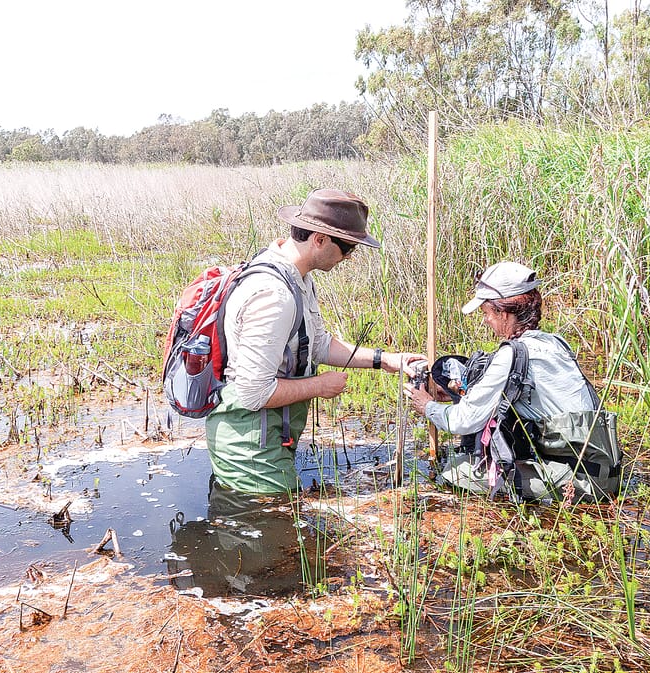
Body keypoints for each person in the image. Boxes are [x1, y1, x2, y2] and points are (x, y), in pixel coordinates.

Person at [206, 188, 421, 494]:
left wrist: (385, 359)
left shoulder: (299, 277)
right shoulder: (274, 295)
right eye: (347, 247)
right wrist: (319, 386)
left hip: (269, 437)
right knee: (271, 533)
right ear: (319, 239)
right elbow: (254, 392)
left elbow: (317, 344)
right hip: (250, 448)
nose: (349, 257)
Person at [404, 261, 620, 502]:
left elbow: (464, 421)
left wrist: (427, 406)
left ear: (502, 313)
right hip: (603, 468)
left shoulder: (512, 354)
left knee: (455, 471)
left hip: (583, 480)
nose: (485, 320)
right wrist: (459, 394)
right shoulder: (555, 342)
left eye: (486, 313)